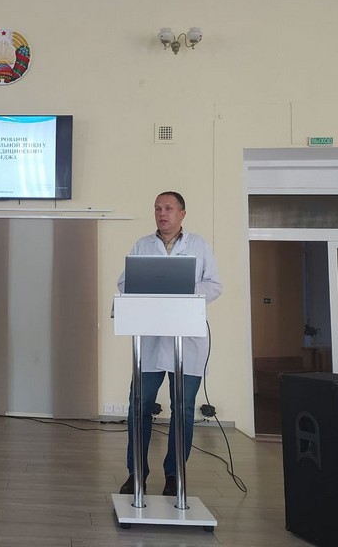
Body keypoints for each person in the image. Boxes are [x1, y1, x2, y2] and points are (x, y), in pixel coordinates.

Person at [116, 191, 222, 496]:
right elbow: (124, 282)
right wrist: (149, 286)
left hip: (187, 340)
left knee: (184, 409)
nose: (162, 213)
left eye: (168, 208)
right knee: (139, 406)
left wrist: (181, 286)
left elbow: (214, 285)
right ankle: (136, 472)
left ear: (182, 214)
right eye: (157, 208)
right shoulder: (142, 245)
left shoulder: (199, 245)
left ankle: (175, 475)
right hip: (149, 340)